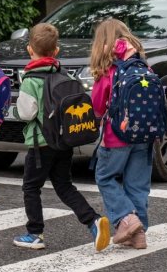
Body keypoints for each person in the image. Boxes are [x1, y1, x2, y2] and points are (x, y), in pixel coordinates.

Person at [11, 23, 110, 251]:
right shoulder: (62, 74)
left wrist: (16, 109)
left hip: (40, 143)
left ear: (29, 50)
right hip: (63, 141)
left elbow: (26, 113)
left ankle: (34, 232)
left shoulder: (31, 79)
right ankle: (93, 220)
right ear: (56, 51)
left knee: (31, 187)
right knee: (65, 186)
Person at [89, 19, 150, 250]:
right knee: (138, 184)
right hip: (144, 134)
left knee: (105, 177)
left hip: (116, 136)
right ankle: (139, 232)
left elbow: (97, 106)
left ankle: (127, 218)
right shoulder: (142, 65)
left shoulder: (108, 70)